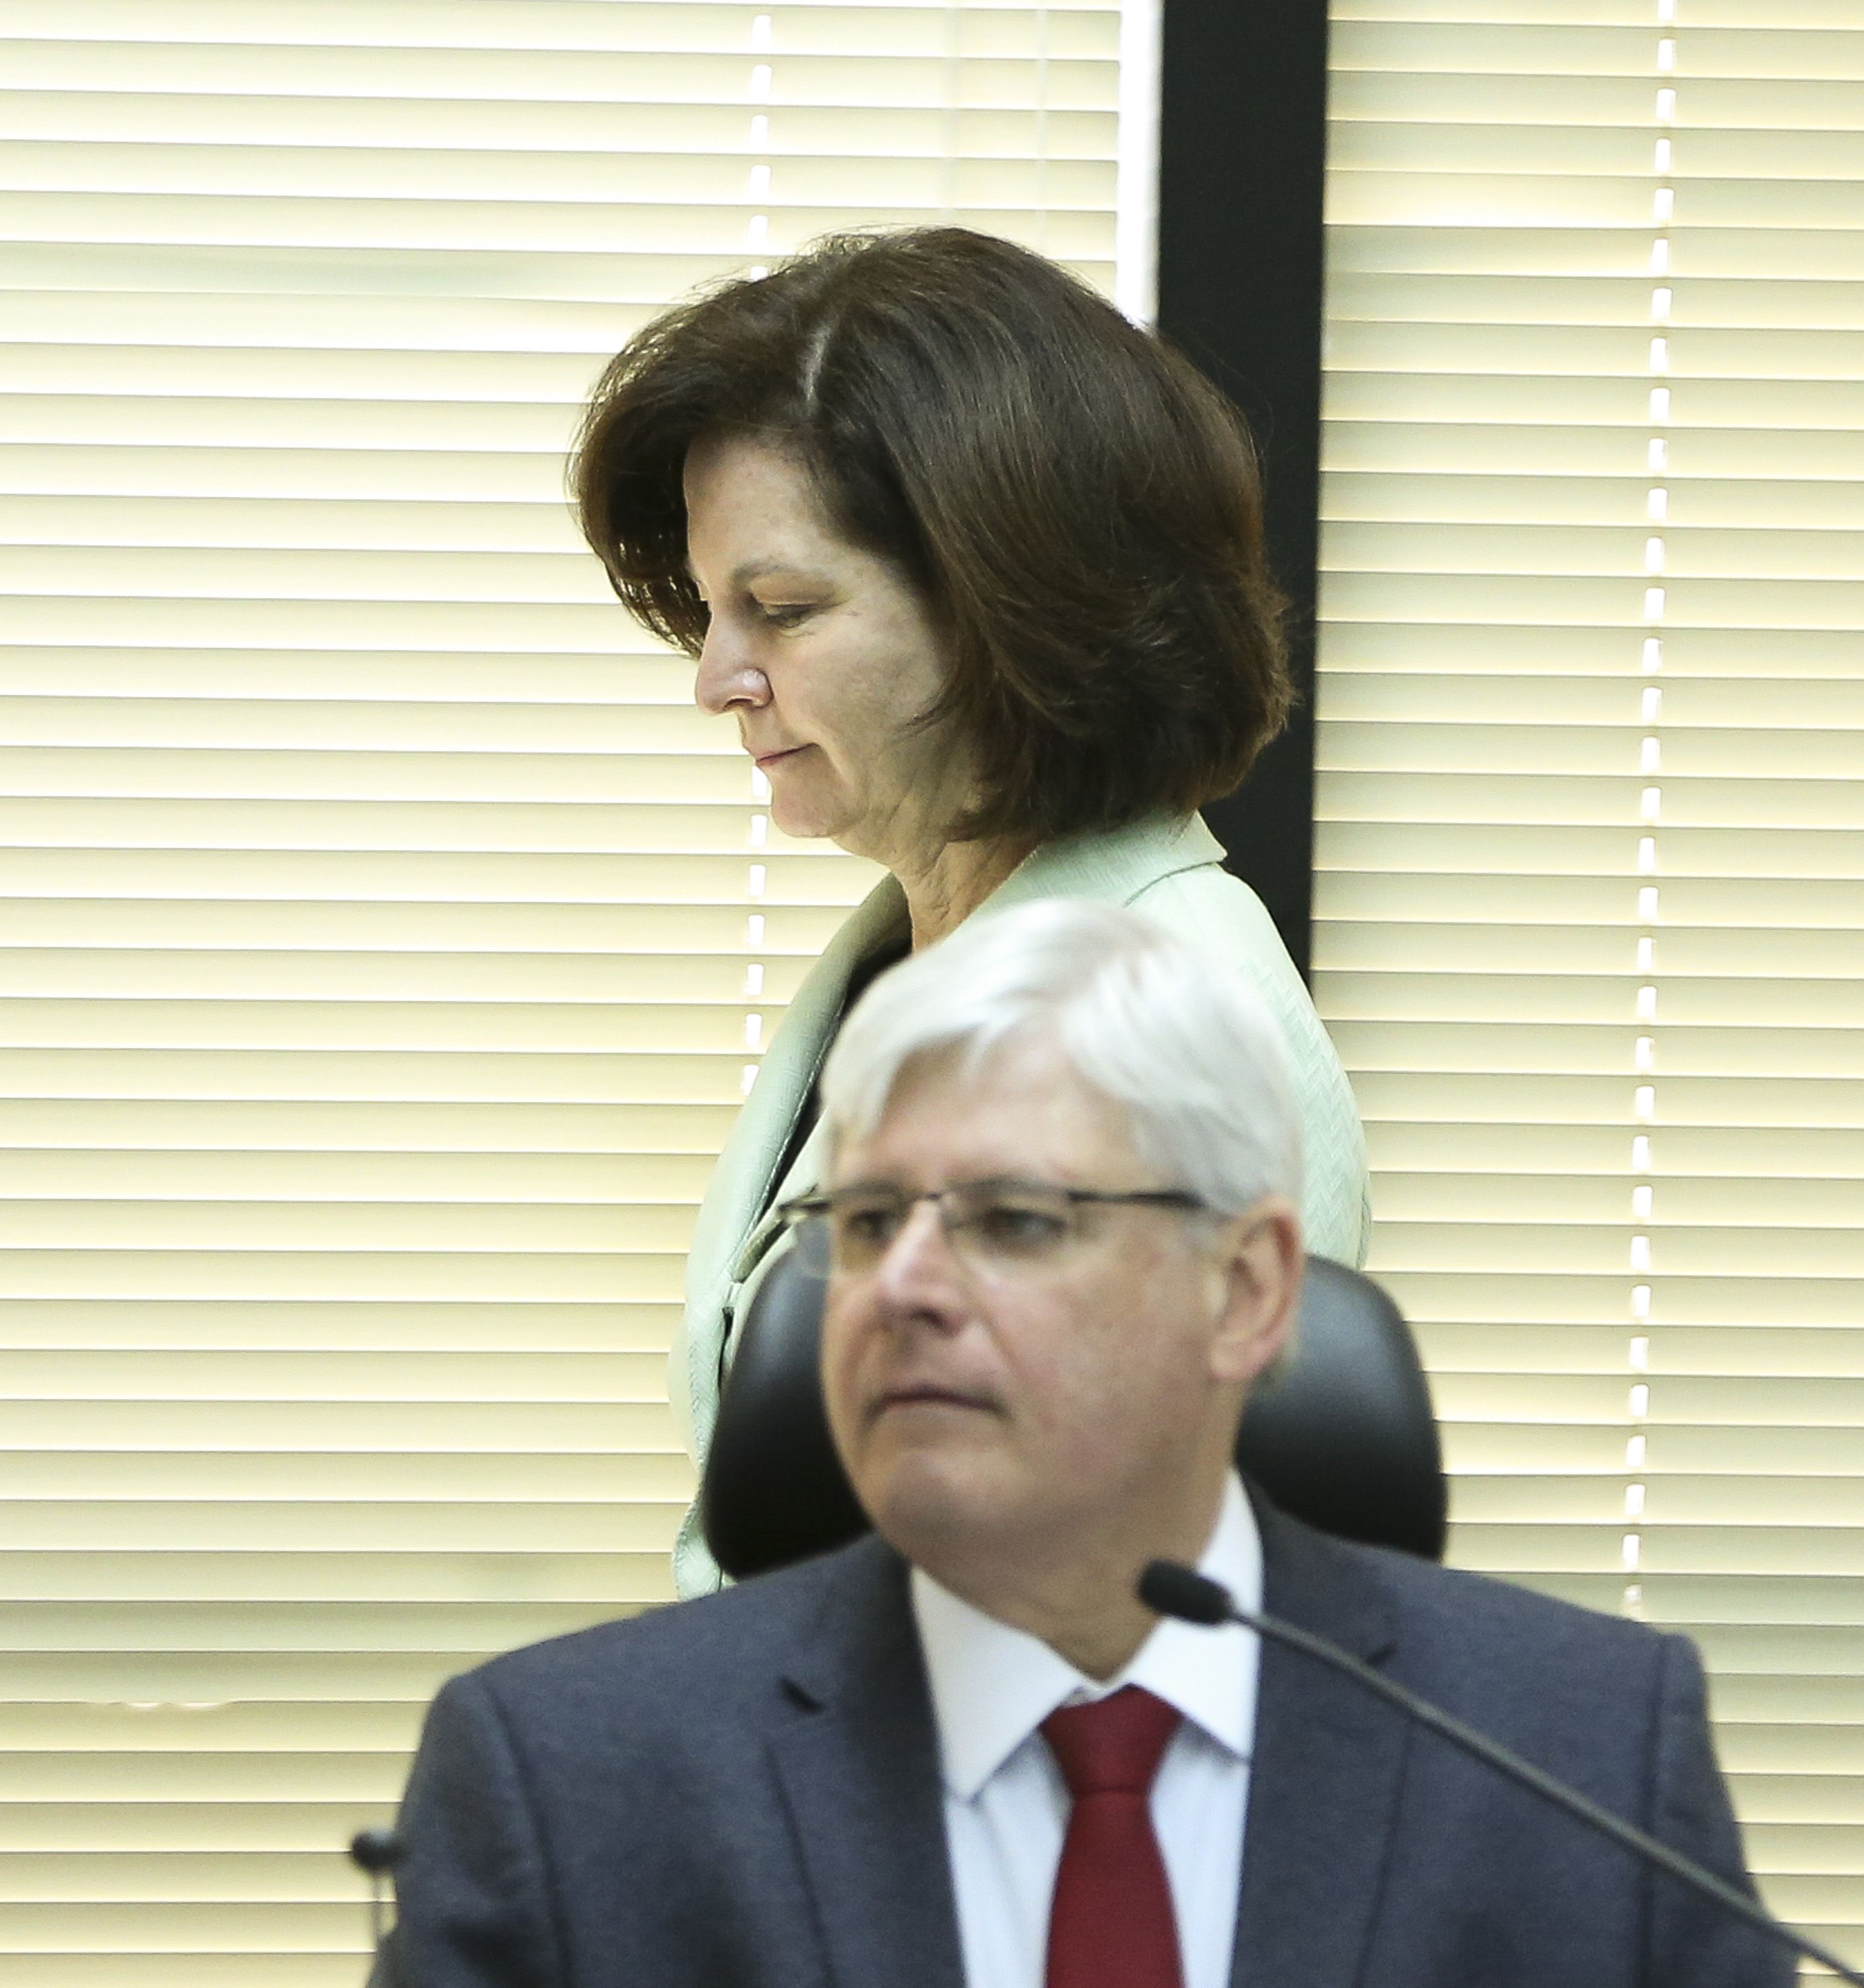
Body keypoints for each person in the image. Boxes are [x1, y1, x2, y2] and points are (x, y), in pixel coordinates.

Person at [340, 901, 1818, 1988]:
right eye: (862, 1223)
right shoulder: (568, 1790)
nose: (901, 1288)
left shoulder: (1582, 1767)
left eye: (1013, 1221)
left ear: (1243, 1293)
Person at [571, 226, 1372, 1597]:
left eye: (782, 608)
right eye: (713, 612)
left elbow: (1084, 1614)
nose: (717, 680)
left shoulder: (1170, 1022)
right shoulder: (912, 953)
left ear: (1014, 610)